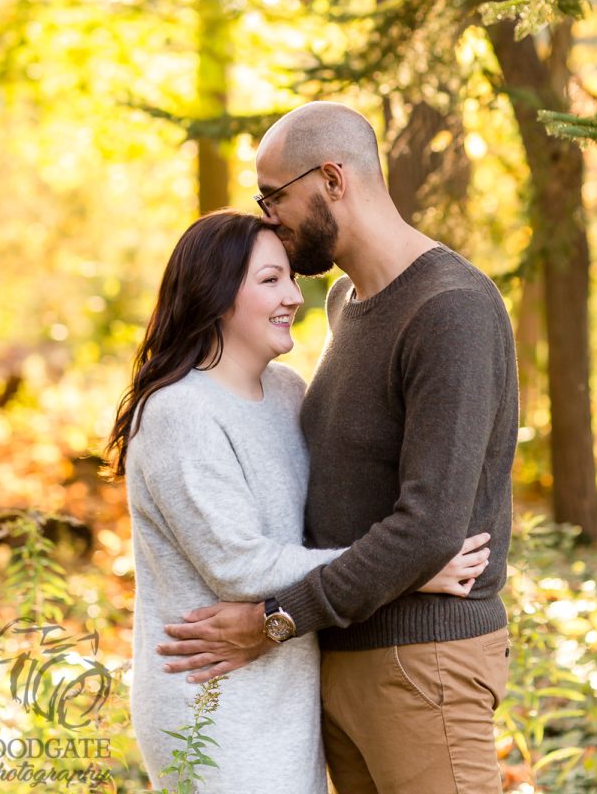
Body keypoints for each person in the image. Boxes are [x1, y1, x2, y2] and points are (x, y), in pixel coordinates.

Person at [157, 103, 519, 794]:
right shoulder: (345, 303)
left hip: (423, 662)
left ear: (330, 178)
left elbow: (429, 529)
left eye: (274, 196)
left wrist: (273, 619)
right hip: (339, 661)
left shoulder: (450, 309)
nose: (267, 218)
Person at [106, 210, 489, 794]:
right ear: (214, 295)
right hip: (211, 691)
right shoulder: (178, 414)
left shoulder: (288, 394)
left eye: (291, 278)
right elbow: (240, 566)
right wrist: (408, 571)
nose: (293, 297)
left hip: (287, 676)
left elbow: (313, 529)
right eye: (269, 281)